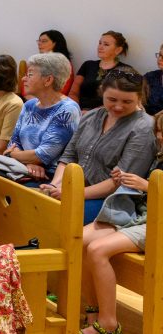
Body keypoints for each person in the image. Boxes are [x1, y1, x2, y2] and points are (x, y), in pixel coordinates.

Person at [77, 113, 163, 334]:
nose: (160, 137)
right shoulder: (158, 154)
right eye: (159, 131)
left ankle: (109, 324)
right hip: (142, 214)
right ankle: (93, 310)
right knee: (80, 239)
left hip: (157, 224)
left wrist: (147, 185)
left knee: (97, 250)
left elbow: (154, 189)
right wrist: (125, 179)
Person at [42, 70, 156, 224]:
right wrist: (55, 184)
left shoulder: (144, 127)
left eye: (127, 102)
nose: (118, 107)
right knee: (32, 202)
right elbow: (69, 156)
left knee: (54, 219)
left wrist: (72, 193)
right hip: (72, 188)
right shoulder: (92, 116)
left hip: (110, 200)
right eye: (112, 99)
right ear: (102, 93)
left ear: (139, 98)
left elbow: (120, 181)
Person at [3, 53, 81, 183]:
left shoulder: (67, 110)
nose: (23, 79)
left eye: (30, 75)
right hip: (25, 168)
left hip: (50, 177)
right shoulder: (30, 105)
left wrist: (12, 154)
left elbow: (42, 155)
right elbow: (14, 142)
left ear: (48, 80)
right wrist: (28, 164)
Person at [70, 30, 136, 111]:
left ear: (118, 50)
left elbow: (123, 100)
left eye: (106, 44)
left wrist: (91, 113)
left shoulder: (125, 70)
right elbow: (73, 92)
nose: (100, 47)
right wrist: (75, 109)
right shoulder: (88, 65)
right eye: (100, 43)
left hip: (106, 114)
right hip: (79, 111)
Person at [22, 29, 74, 97]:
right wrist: (31, 99)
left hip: (53, 102)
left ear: (55, 43)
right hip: (31, 100)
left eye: (44, 41)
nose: (39, 43)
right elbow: (25, 86)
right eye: (39, 41)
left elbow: (63, 90)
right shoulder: (35, 62)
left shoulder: (64, 64)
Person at [144, 43, 163, 116]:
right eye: (160, 55)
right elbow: (138, 102)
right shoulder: (149, 77)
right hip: (147, 122)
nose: (160, 59)